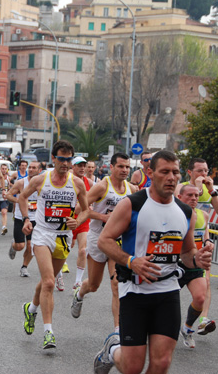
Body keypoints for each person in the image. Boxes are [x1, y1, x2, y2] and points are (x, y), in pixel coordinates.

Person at [92, 150, 213, 374]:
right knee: (133, 367)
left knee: (162, 363)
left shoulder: (186, 212)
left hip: (167, 290)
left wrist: (198, 258)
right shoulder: (132, 204)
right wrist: (131, 261)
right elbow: (104, 241)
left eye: (175, 172)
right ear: (150, 172)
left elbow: (187, 253)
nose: (171, 177)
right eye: (164, 171)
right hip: (134, 291)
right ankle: (112, 351)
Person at [20, 140, 90, 349]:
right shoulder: (42, 179)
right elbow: (22, 198)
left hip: (63, 237)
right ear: (53, 159)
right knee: (50, 282)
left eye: (69, 159)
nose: (66, 163)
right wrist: (26, 220)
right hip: (42, 234)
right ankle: (48, 332)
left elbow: (86, 209)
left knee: (45, 281)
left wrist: (77, 221)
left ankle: (31, 309)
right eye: (62, 159)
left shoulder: (77, 183)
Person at [71, 153, 137, 328]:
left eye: (127, 167)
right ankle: (79, 294)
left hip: (117, 242)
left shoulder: (131, 189)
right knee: (93, 285)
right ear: (112, 167)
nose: (125, 170)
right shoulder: (102, 187)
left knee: (116, 284)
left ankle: (118, 332)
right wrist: (103, 217)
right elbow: (79, 209)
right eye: (121, 166)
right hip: (98, 239)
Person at [176, 184, 216, 349]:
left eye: (196, 195)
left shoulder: (203, 215)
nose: (193, 199)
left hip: (194, 264)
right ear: (180, 197)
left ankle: (187, 328)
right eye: (189, 195)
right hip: (174, 265)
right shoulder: (174, 215)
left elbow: (205, 234)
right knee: (160, 302)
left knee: (200, 298)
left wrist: (207, 242)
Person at [6, 160, 42, 277]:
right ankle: (13, 245)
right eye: (29, 167)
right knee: (20, 246)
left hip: (36, 218)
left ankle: (24, 267)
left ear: (39, 170)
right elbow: (8, 195)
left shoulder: (43, 184)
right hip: (20, 217)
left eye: (33, 168)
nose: (30, 170)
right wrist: (20, 201)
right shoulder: (21, 182)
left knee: (31, 245)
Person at [69, 156, 94, 290]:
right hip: (67, 219)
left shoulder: (89, 183)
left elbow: (98, 197)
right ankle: (58, 274)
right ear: (73, 167)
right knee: (64, 250)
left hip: (83, 220)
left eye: (84, 165)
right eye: (79, 165)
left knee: (83, 250)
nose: (82, 168)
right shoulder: (66, 180)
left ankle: (78, 281)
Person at [0, 163, 11, 236]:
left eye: (5, 169)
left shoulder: (8, 178)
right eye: (3, 169)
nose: (4, 170)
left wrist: (8, 192)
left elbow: (9, 187)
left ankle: (4, 227)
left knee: (4, 212)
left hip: (4, 198)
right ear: (0, 169)